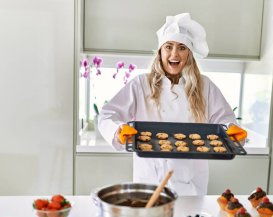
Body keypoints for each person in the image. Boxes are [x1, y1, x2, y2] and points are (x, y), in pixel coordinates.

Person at [98, 13, 244, 196]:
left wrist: (232, 130)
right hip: (149, 183)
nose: (174, 54)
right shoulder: (141, 85)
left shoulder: (205, 86)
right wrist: (117, 130)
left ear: (189, 54)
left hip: (191, 186)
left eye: (182, 48)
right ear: (160, 51)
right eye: (168, 47)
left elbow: (226, 121)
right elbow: (107, 115)